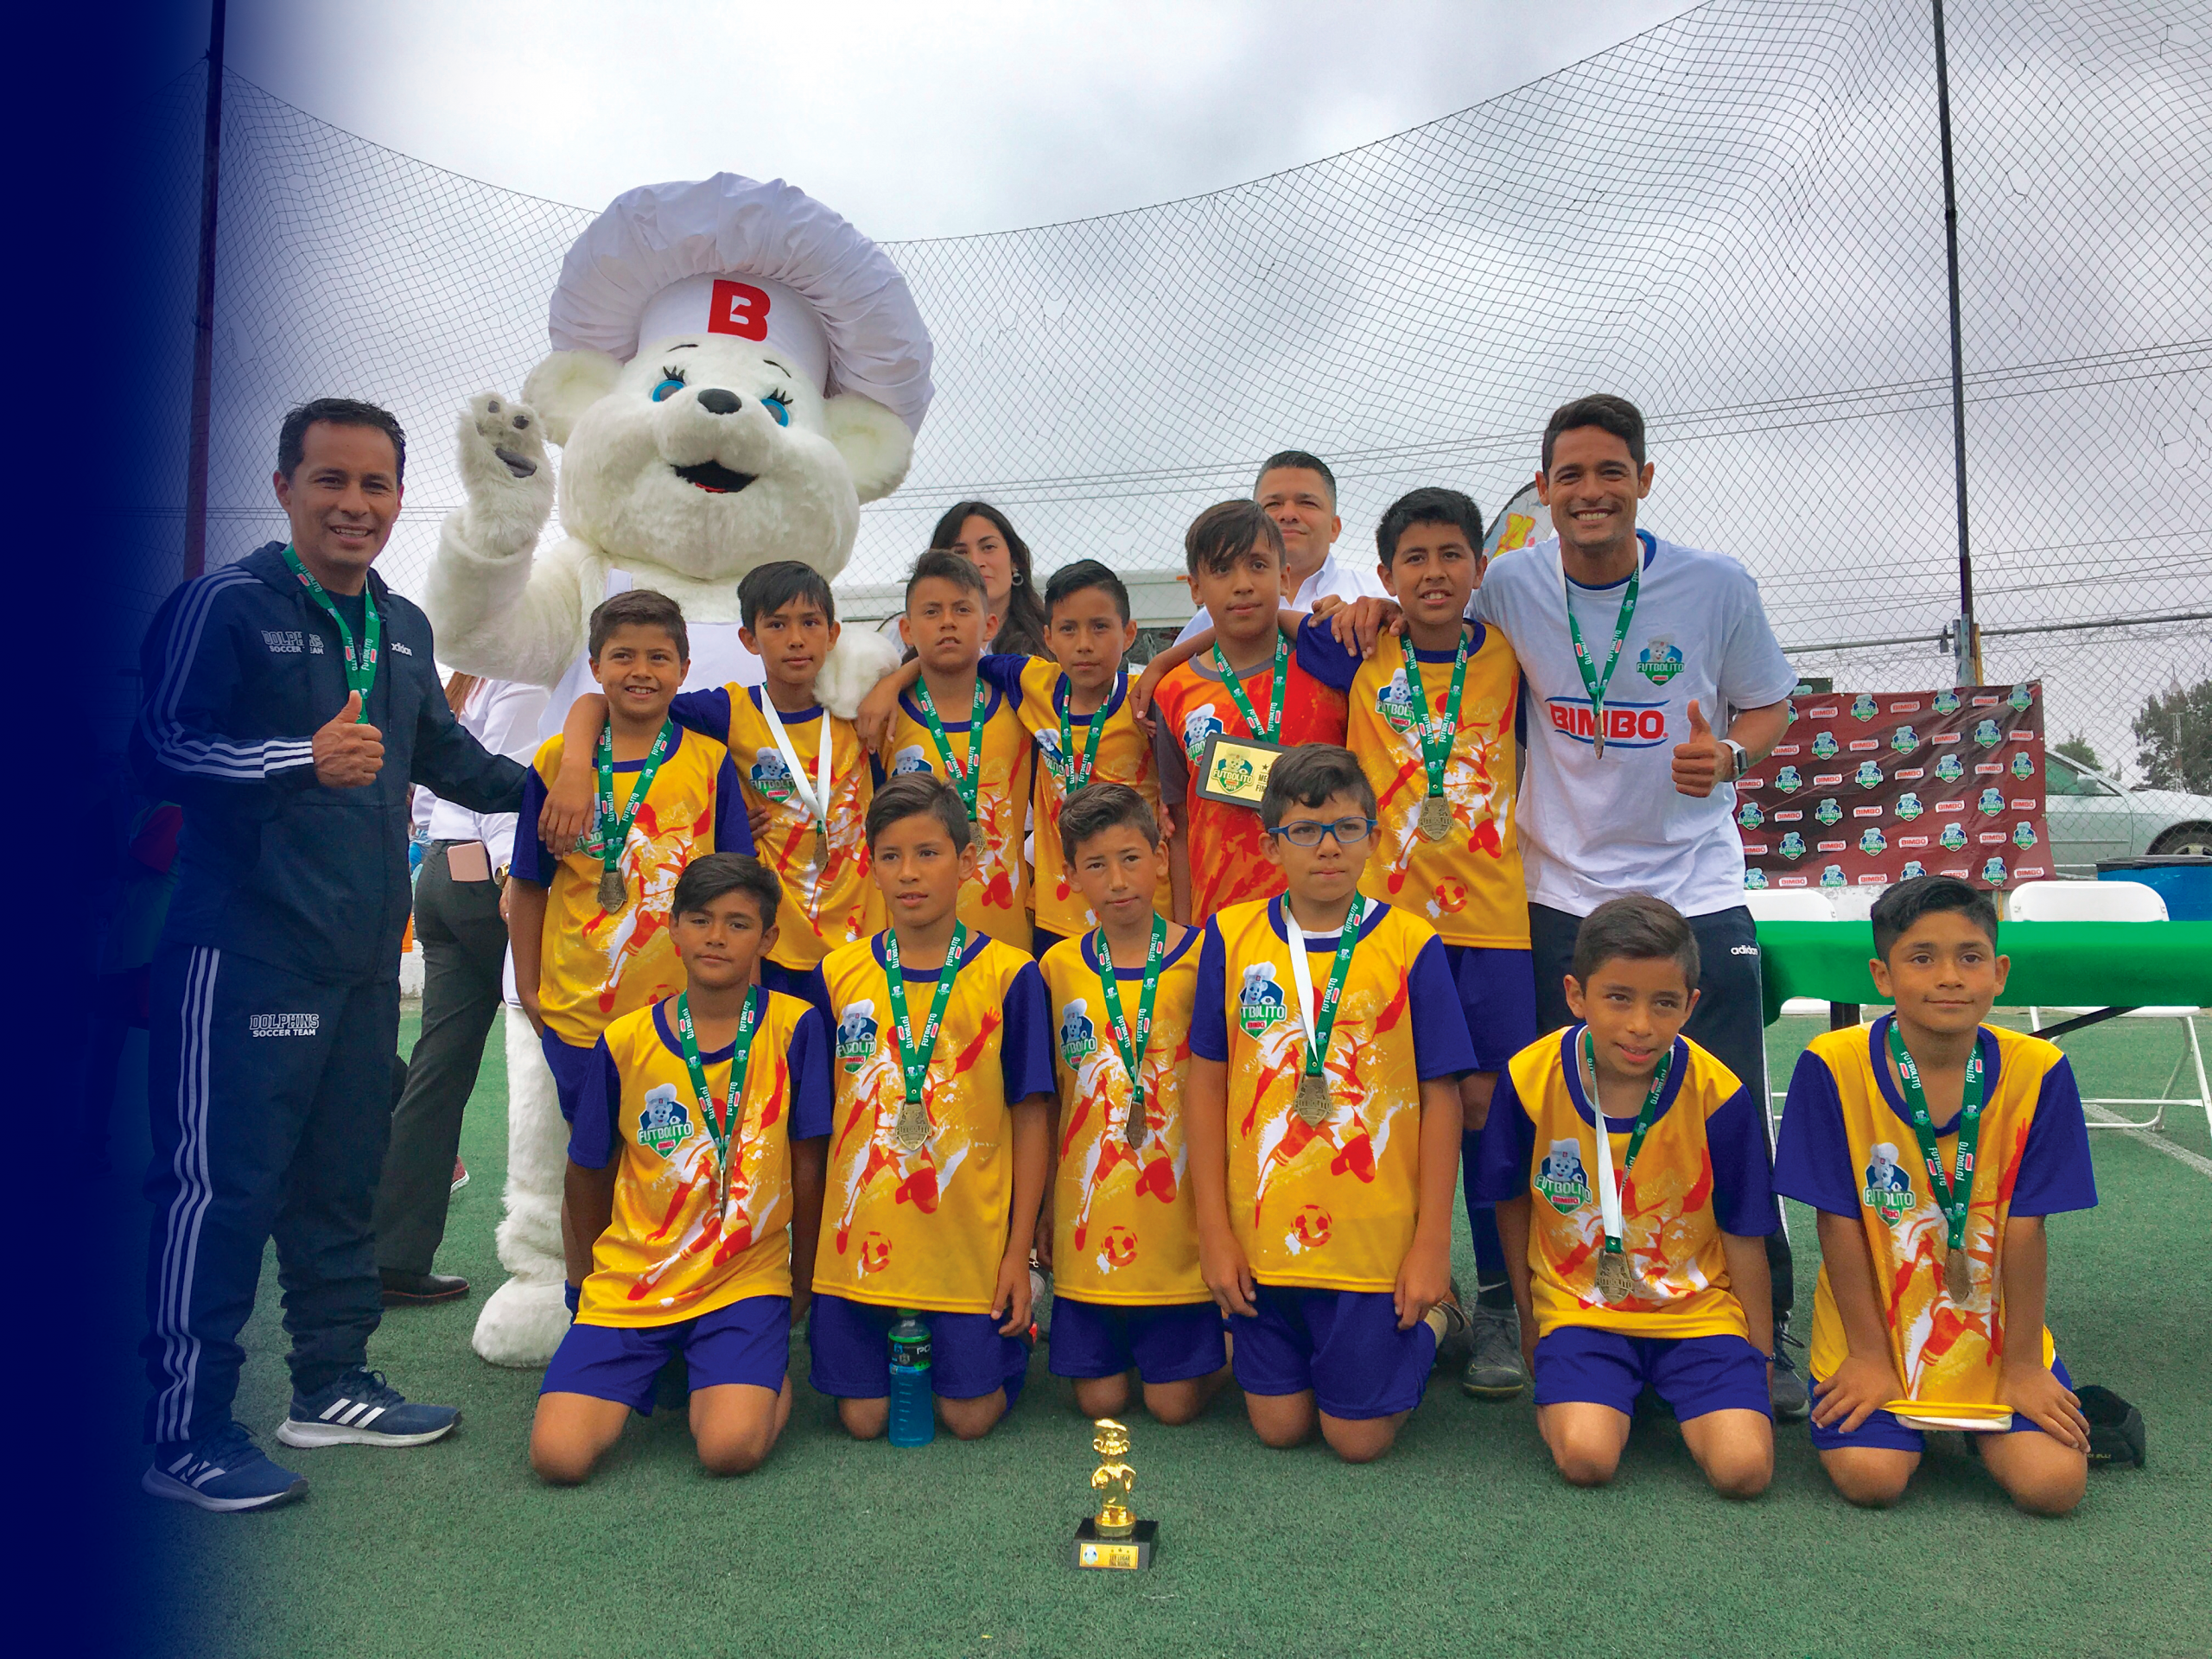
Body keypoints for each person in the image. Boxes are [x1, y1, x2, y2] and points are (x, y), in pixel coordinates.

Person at [134, 397, 529, 1512]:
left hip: (362, 960)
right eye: (331, 481)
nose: (355, 504)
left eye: (376, 486)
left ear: (401, 498)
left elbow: (449, 755)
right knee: (221, 1190)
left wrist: (562, 795)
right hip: (247, 950)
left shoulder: (400, 625)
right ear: (285, 487)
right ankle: (183, 1431)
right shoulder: (224, 605)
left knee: (339, 1180)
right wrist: (292, 759)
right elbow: (159, 747)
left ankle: (331, 1382)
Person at [1469, 393, 1808, 1419]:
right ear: (1543, 492)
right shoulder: (1508, 585)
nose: (1590, 492)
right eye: (1569, 476)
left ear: (1643, 483)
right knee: (1545, 1115)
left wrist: (1733, 755)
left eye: (1609, 472)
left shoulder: (1713, 585)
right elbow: (1424, 628)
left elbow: (1769, 703)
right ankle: (1522, 1303)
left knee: (1724, 1111)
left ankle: (1765, 1323)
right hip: (1558, 892)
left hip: (1692, 891)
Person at [1290, 487, 1537, 1401]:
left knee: (1488, 1114)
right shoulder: (1354, 644)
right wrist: (1342, 606)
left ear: (1478, 567)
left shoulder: (1516, 652)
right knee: (1387, 1108)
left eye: (1451, 556)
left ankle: (1502, 1306)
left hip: (1495, 926)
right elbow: (1261, 615)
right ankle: (1405, 1295)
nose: (1434, 574)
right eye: (1414, 561)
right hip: (1387, 931)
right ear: (1385, 573)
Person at [1773, 876, 2095, 1515]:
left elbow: (2028, 1230)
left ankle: (1976, 1414)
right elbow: (1836, 1224)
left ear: (1999, 972)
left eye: (1970, 957)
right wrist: (1866, 1356)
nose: (1950, 976)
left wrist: (2025, 1366)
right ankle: (1920, 1410)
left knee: (2054, 1488)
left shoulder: (2040, 1071)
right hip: (1874, 1331)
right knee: (1872, 1478)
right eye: (1922, 957)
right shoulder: (1831, 1064)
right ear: (1882, 975)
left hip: (1992, 1332)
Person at [1188, 746, 1473, 1463]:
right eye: (1306, 830)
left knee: (1358, 1439)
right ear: (1270, 845)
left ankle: (1439, 1317)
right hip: (1264, 1239)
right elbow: (1207, 1083)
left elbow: (1443, 1098)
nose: (1327, 847)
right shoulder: (1228, 935)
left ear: (1374, 838)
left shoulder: (1412, 943)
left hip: (1370, 1242)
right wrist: (1214, 1233)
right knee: (1279, 1429)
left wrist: (1432, 1244)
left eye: (1347, 829)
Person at [530, 855, 831, 1484]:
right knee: (557, 1460)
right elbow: (585, 1175)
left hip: (742, 1278)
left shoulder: (797, 1029)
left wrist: (802, 1280)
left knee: (728, 1450)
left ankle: (758, 1377)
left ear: (769, 938)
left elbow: (809, 1168)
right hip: (634, 1280)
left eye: (738, 923)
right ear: (673, 929)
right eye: (700, 920)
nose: (717, 936)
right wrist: (583, 1283)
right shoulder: (625, 1041)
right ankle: (675, 1364)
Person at [1475, 895, 1777, 1498]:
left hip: (1697, 1314)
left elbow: (1745, 1231)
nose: (1641, 1025)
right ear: (1575, 995)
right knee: (1587, 1459)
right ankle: (1601, 1392)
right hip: (1580, 1309)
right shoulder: (1529, 1080)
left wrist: (1760, 1357)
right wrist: (1531, 1321)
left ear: (1691, 1005)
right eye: (1619, 998)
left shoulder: (1719, 1094)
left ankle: (1659, 1386)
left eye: (1664, 1003)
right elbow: (1509, 1202)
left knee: (1744, 1472)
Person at [803, 775, 1055, 1440]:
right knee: (862, 1420)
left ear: (967, 863)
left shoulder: (1011, 974)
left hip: (965, 1250)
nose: (909, 873)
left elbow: (1032, 1116)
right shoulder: (836, 975)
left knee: (970, 1418)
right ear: (871, 866)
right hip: (858, 1248)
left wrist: (1019, 1253)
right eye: (891, 856)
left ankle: (1013, 1338)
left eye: (929, 853)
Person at [540, 562, 881, 1023]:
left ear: (833, 633)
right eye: (777, 624)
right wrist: (578, 764)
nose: (796, 639)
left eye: (810, 623)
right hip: (772, 947)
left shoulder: (859, 710)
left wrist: (894, 683)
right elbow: (610, 701)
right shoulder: (727, 710)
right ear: (749, 638)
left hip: (863, 943)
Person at [509, 589, 749, 1131]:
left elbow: (740, 895)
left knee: (676, 1164)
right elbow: (528, 884)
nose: (641, 671)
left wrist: (742, 997)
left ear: (683, 670)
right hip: (578, 1016)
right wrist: (529, 989)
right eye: (622, 656)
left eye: (659, 658)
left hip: (687, 1013)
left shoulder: (710, 763)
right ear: (595, 667)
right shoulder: (554, 764)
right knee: (590, 1165)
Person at [863, 559, 1171, 957]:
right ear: (1049, 636)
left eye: (961, 610)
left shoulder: (1145, 702)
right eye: (932, 612)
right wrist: (894, 680)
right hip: (1040, 916)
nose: (1083, 643)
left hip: (1100, 912)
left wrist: (1161, 662)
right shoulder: (1031, 690)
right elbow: (951, 659)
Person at [1039, 784, 1228, 1423]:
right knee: (1100, 1402)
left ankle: (1226, 1343)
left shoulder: (1206, 960)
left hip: (1180, 1222)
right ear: (1069, 878)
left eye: (1130, 858)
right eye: (1095, 865)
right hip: (1089, 1213)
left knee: (1174, 1406)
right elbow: (1050, 1100)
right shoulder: (1055, 969)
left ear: (1160, 855)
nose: (1117, 881)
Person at [373, 672, 548, 1306]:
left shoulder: (468, 683)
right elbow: (503, 778)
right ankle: (562, 1253)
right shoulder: (530, 680)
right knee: (557, 1056)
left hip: (442, 871)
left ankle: (391, 1255)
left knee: (437, 1069)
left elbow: (435, 792)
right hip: (493, 874)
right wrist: (511, 868)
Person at [1146, 502, 1348, 925]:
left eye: (1258, 565)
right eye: (1221, 570)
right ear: (1196, 589)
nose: (1242, 585)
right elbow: (1179, 824)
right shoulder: (1173, 692)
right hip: (1223, 925)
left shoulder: (1329, 668)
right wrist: (1188, 932)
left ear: (1285, 577)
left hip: (1333, 921)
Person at [862, 550, 1036, 950]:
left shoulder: (1021, 706)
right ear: (906, 630)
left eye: (961, 609)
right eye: (931, 612)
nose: (947, 622)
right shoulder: (884, 717)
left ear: (989, 624)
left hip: (1006, 937)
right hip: (909, 939)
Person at [1172, 452, 1388, 645]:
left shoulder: (1379, 599)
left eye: (1307, 503)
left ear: (1334, 528)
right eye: (1273, 504)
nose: (1288, 514)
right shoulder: (1211, 618)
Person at [931, 499, 1050, 659]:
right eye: (960, 552)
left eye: (988, 547)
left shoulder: (1051, 636)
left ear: (1014, 559)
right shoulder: (907, 637)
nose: (975, 562)